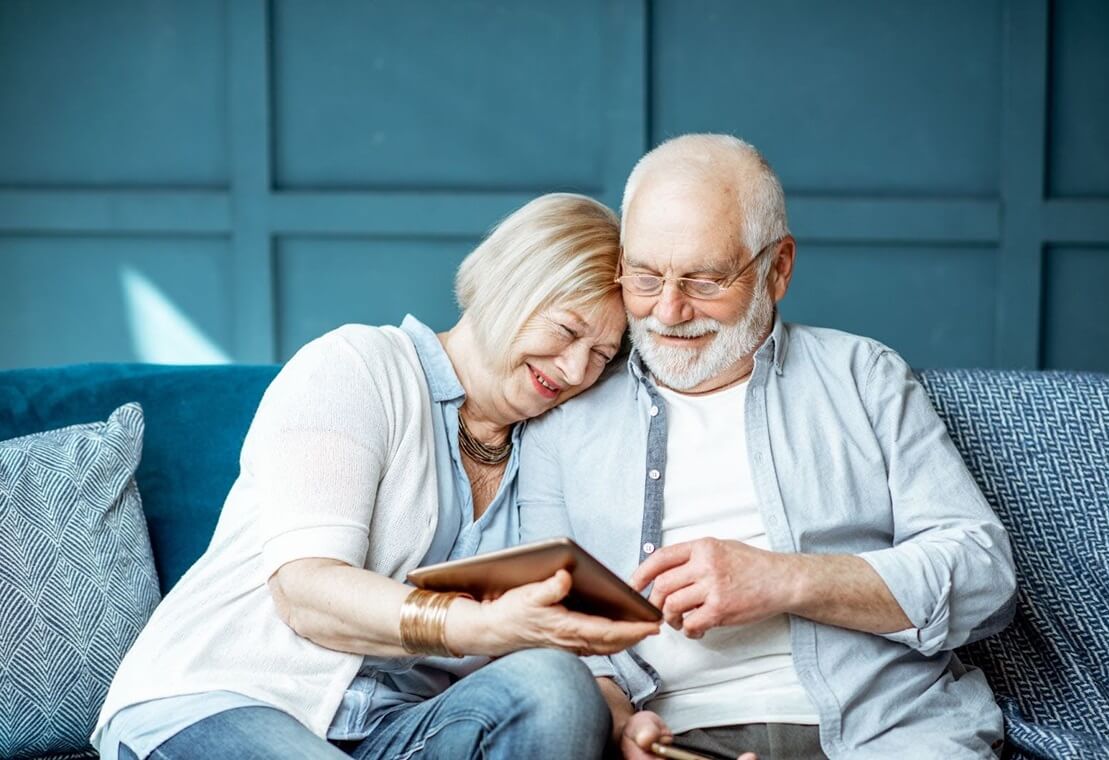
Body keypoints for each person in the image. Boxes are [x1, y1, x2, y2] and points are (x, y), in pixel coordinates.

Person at [93, 193, 661, 760]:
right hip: (229, 696)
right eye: (566, 330)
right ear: (508, 284)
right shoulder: (358, 365)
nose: (574, 369)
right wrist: (478, 626)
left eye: (601, 355)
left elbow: (567, 643)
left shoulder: (545, 451)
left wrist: (619, 721)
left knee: (555, 688)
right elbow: (306, 592)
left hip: (396, 731)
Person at [519, 135, 1017, 759]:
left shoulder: (863, 376)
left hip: (885, 730)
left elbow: (983, 576)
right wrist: (617, 718)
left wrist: (784, 579)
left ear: (777, 268)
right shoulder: (565, 418)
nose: (668, 311)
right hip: (678, 742)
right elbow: (551, 621)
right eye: (645, 276)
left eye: (704, 279)